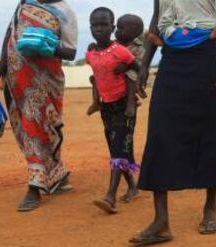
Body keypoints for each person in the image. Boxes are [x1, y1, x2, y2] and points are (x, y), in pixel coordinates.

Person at [130, 0, 216, 245]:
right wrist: (145, 63)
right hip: (170, 58)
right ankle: (161, 221)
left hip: (205, 56)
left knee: (208, 129)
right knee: (159, 133)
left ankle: (210, 207)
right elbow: (157, 17)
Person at [0, 0, 78, 211]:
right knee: (27, 131)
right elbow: (10, 37)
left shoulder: (65, 12)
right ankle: (55, 175)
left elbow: (71, 52)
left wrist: (44, 45)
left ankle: (36, 185)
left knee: (43, 130)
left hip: (45, 82)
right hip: (16, 81)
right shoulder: (24, 4)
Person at [86, 7, 141, 214]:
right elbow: (98, 75)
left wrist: (130, 104)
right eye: (95, 25)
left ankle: (110, 197)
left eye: (104, 25)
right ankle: (133, 186)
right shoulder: (90, 53)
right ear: (90, 28)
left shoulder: (120, 50)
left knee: (118, 149)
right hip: (107, 107)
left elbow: (137, 68)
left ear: (112, 27)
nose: (99, 29)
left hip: (125, 107)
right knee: (117, 150)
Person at [87, 14, 145, 117]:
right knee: (96, 77)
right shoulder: (112, 44)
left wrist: (126, 66)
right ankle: (96, 102)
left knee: (130, 75)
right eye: (117, 27)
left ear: (133, 33)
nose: (117, 31)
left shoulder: (138, 48)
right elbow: (102, 49)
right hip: (112, 75)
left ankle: (131, 103)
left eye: (121, 28)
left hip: (129, 74)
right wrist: (94, 46)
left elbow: (139, 65)